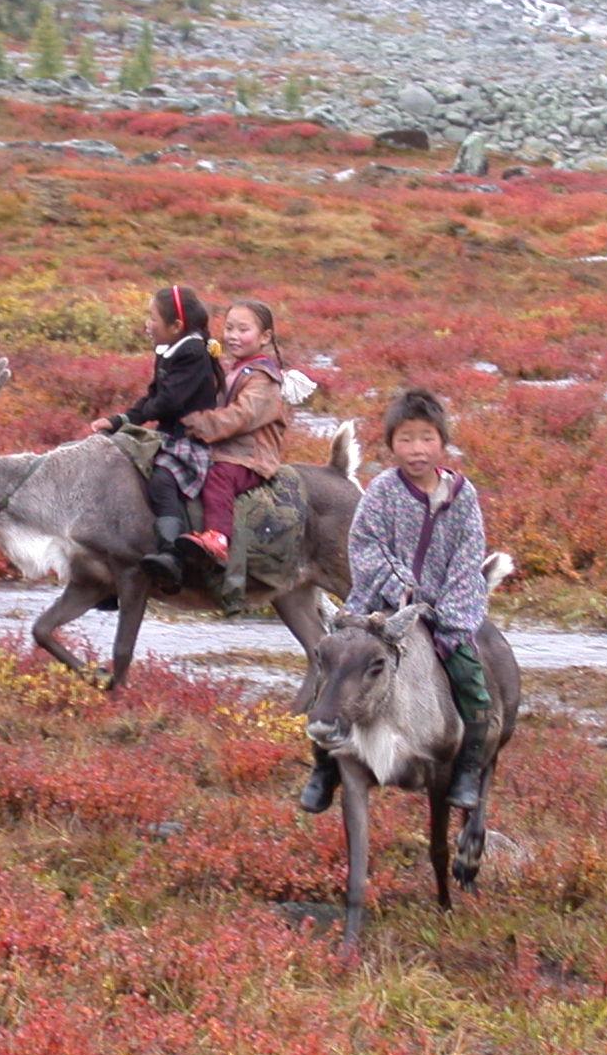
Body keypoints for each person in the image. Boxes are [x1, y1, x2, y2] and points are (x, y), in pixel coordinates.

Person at [307, 387, 495, 815]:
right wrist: (401, 589)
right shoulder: (382, 492)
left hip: (445, 613)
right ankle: (323, 770)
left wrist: (447, 610)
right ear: (391, 445)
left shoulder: (463, 498)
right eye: (406, 439)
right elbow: (366, 544)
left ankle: (466, 771)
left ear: (442, 442)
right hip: (379, 608)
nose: (417, 450)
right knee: (333, 675)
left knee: (473, 684)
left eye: (426, 438)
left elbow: (468, 559)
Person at [88, 285, 221, 591]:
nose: (147, 325)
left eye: (153, 319)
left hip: (189, 442)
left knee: (162, 480)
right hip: (166, 436)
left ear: (176, 326)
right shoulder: (170, 350)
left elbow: (168, 403)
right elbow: (154, 395)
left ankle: (171, 554)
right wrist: (120, 420)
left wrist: (124, 421)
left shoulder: (193, 353)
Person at [178, 298, 290, 567]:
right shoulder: (236, 369)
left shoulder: (263, 378)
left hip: (251, 457)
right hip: (225, 449)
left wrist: (198, 424)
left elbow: (240, 417)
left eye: (243, 330)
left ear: (265, 337)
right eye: (229, 328)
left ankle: (218, 536)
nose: (233, 336)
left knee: (218, 477)